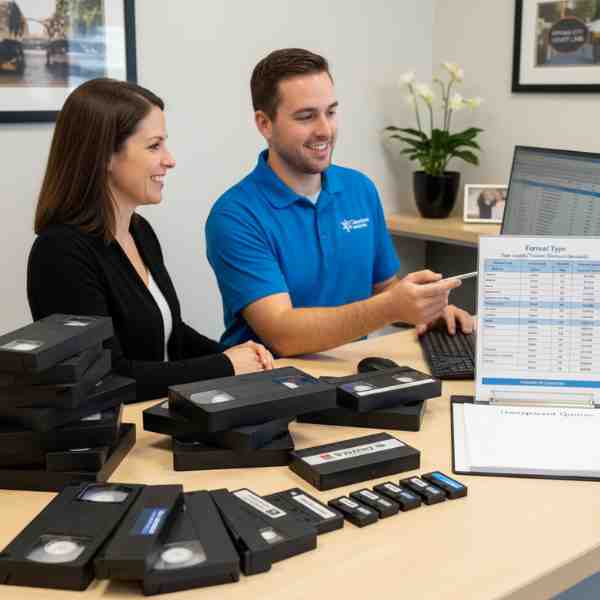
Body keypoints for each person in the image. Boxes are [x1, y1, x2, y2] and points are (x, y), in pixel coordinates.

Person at [206, 48, 473, 357]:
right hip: (270, 387)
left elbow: (385, 288)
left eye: (330, 112)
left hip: (351, 372)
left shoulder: (359, 189)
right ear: (265, 124)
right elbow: (282, 334)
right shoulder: (235, 216)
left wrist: (426, 309)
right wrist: (391, 308)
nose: (325, 130)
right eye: (306, 116)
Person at [27, 78, 273, 402]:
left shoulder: (139, 231)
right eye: (154, 145)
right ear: (104, 156)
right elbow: (106, 377)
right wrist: (225, 365)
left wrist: (242, 357)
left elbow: (172, 334)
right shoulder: (60, 253)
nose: (169, 159)